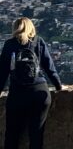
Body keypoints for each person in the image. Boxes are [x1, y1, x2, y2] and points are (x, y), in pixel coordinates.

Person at [0, 17, 63, 149]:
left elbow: (2, 73)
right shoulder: (38, 42)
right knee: (36, 135)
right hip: (39, 93)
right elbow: (49, 67)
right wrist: (58, 85)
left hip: (18, 94)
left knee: (12, 135)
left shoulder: (9, 45)